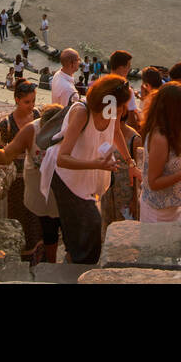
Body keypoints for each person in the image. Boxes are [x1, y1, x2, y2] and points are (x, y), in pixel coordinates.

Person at [39, 74, 140, 264]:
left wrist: (130, 162)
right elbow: (63, 159)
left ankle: (74, 258)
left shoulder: (110, 108)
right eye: (121, 105)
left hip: (88, 174)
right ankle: (81, 268)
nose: (123, 110)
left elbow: (116, 130)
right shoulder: (82, 112)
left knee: (80, 227)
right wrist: (97, 164)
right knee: (90, 225)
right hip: (67, 177)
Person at [0, 97, 64, 264]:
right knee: (45, 229)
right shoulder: (30, 130)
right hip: (38, 190)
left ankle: (58, 263)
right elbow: (6, 156)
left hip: (63, 191)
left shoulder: (70, 128)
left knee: (63, 228)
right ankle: (49, 264)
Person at [0, 81, 44, 259]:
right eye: (27, 102)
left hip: (37, 175)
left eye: (33, 101)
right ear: (17, 100)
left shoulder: (38, 115)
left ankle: (39, 255)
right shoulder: (7, 124)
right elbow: (2, 153)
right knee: (22, 216)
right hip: (18, 181)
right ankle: (24, 255)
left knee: (37, 217)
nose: (31, 106)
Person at [140, 82, 181, 223]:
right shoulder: (159, 138)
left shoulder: (180, 127)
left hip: (177, 206)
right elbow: (153, 182)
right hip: (158, 211)